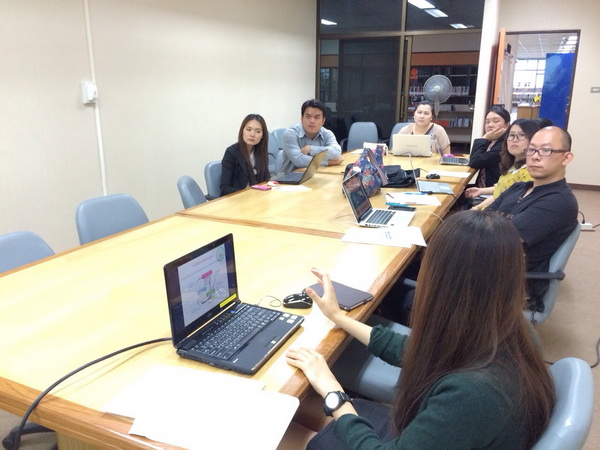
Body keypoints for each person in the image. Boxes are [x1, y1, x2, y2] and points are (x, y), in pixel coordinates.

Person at [284, 211, 554, 449]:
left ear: (438, 280)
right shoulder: (508, 330)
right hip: (442, 435)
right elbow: (417, 351)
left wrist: (333, 391)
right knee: (297, 410)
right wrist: (339, 317)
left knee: (281, 433)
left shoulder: (471, 395)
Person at [487, 126, 578, 313]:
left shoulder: (559, 201)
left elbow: (500, 240)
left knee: (425, 277)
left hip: (508, 284)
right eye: (531, 150)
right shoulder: (518, 188)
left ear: (566, 158)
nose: (535, 157)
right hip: (487, 263)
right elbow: (483, 217)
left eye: (546, 150)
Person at [464, 118, 539, 210]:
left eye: (521, 135)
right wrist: (477, 206)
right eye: (511, 135)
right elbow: (499, 194)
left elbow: (512, 206)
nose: (514, 140)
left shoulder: (529, 171)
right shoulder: (513, 165)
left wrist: (477, 210)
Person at [279, 99, 343, 175]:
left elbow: (336, 153)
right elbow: (299, 160)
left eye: (317, 117)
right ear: (302, 118)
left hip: (317, 175)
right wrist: (327, 162)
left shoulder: (327, 133)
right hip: (289, 177)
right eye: (308, 116)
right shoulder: (290, 133)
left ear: (323, 121)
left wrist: (310, 149)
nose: (312, 121)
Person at [219, 114, 270, 196]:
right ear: (242, 130)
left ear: (262, 136)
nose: (252, 134)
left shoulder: (261, 152)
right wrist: (248, 194)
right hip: (237, 199)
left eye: (258, 131)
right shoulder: (231, 152)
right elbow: (225, 188)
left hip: (257, 197)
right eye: (248, 129)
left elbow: (266, 180)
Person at [469, 105, 511, 187]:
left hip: (493, 190)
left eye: (496, 121)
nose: (490, 125)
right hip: (483, 187)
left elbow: (475, 162)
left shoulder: (504, 144)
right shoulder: (493, 141)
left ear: (507, 125)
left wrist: (484, 138)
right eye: (487, 122)